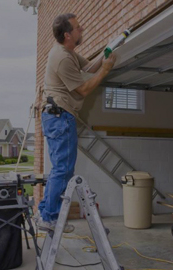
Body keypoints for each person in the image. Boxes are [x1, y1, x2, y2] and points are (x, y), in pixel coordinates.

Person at [35, 13, 116, 232]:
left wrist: (105, 53)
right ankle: (50, 217)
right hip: (59, 116)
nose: (83, 30)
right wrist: (106, 69)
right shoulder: (61, 58)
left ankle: (45, 213)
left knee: (59, 170)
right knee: (63, 169)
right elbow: (84, 88)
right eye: (78, 28)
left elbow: (88, 68)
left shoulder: (68, 52)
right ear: (68, 35)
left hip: (57, 116)